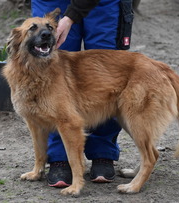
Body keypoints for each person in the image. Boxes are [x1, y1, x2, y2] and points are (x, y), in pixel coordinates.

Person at [31, 0, 133, 187]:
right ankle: (59, 157)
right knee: (52, 72)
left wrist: (70, 17)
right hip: (51, 2)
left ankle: (103, 152)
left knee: (106, 73)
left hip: (103, 4)